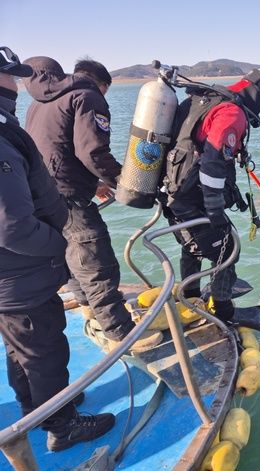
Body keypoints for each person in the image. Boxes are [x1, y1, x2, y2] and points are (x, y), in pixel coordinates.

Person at [0, 46, 115, 452]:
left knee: (21, 348)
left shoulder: (22, 117)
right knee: (44, 346)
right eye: (8, 77)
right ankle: (63, 426)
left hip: (11, 276)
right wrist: (57, 244)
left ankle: (39, 408)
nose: (15, 84)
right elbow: (11, 225)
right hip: (19, 274)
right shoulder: (1, 139)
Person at [22, 56, 161, 351]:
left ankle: (89, 310)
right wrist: (124, 180)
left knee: (69, 258)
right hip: (69, 196)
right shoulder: (88, 96)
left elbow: (53, 149)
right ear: (102, 84)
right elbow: (92, 153)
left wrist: (94, 183)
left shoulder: (38, 103)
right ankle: (122, 334)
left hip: (41, 193)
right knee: (97, 263)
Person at [160, 69, 260, 322]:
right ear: (258, 96)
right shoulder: (230, 112)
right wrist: (214, 209)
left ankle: (190, 296)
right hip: (192, 197)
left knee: (193, 245)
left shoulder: (202, 100)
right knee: (228, 247)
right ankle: (223, 311)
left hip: (171, 191)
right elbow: (212, 161)